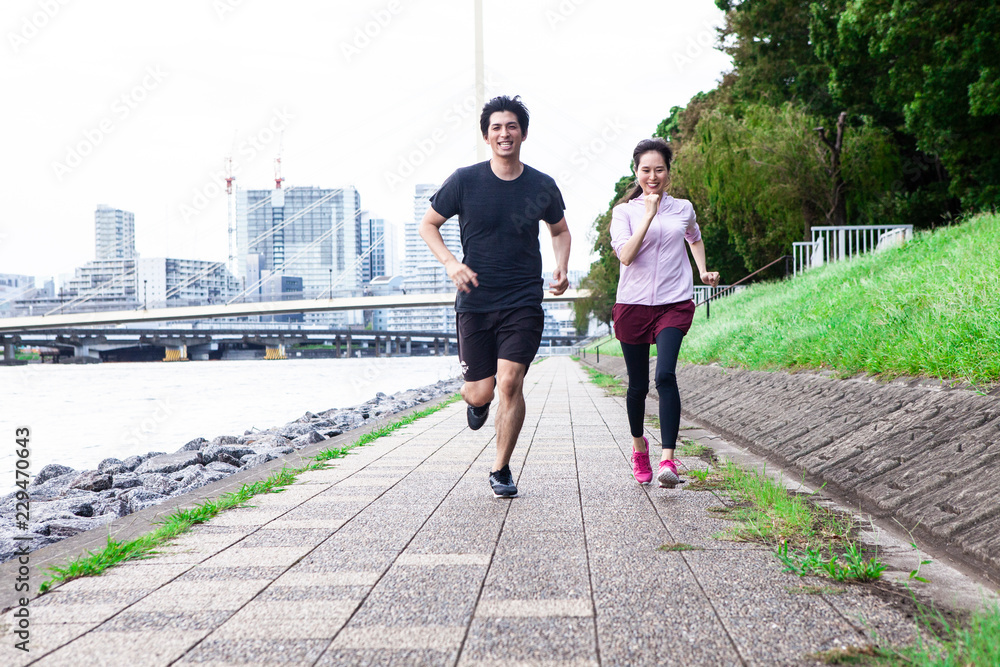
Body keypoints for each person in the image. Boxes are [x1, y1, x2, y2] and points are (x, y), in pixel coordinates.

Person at [418, 95, 572, 498]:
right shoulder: (465, 180)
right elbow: (428, 225)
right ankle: (477, 402)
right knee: (481, 391)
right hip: (475, 301)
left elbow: (559, 230)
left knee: (510, 382)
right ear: (486, 136)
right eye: (496, 128)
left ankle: (501, 469)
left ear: (523, 132)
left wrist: (561, 266)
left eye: (512, 126)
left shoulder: (542, 185)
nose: (505, 134)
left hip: (522, 299)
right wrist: (451, 263)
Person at [610, 137, 719, 488]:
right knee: (638, 385)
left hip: (674, 302)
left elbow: (694, 237)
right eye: (646, 170)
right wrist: (648, 214)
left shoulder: (683, 208)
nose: (653, 176)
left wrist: (702, 269)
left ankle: (668, 459)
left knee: (666, 376)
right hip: (633, 305)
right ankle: (639, 447)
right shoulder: (623, 212)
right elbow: (626, 256)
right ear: (636, 172)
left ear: (669, 172)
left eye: (659, 169)